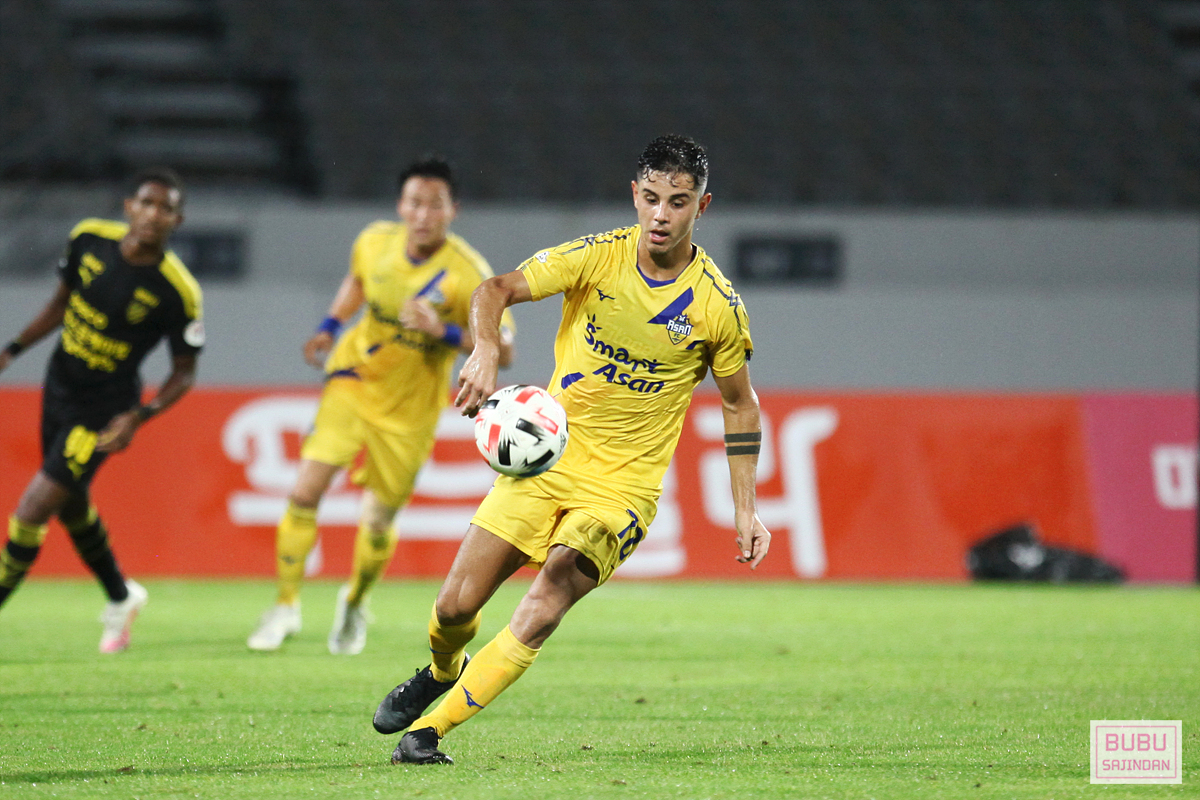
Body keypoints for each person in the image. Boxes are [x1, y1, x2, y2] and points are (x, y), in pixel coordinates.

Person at [372, 134, 771, 765]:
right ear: (634, 195)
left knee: (547, 599)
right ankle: (444, 669)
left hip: (622, 490)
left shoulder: (717, 306)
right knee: (453, 606)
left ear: (702, 206)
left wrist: (746, 508)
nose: (661, 214)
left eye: (678, 202)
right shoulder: (595, 257)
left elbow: (740, 403)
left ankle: (429, 733)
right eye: (651, 197)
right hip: (546, 463)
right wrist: (483, 349)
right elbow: (493, 289)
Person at [247, 157, 515, 655]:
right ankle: (284, 606)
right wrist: (330, 327)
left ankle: (355, 601)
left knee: (376, 521)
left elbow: (505, 347)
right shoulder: (374, 242)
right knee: (304, 492)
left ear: (452, 210)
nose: (423, 214)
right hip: (354, 380)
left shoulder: (468, 273)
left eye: (435, 205)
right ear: (401, 206)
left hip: (410, 411)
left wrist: (442, 330)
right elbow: (357, 280)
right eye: (415, 203)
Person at [0, 168, 204, 653]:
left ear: (177, 221)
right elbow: (61, 303)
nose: (153, 215)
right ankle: (121, 596)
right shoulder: (88, 239)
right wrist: (13, 349)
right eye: (146, 203)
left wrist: (140, 415)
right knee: (70, 503)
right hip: (59, 387)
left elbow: (184, 373)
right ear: (129, 206)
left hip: (103, 410)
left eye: (166, 208)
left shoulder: (177, 290)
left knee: (32, 510)